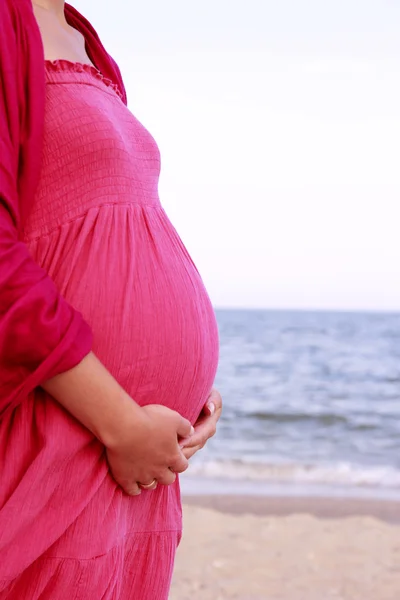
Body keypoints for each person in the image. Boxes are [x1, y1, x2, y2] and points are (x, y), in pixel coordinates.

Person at [0, 1, 222, 598]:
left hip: (130, 453)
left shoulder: (83, 38)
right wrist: (120, 420)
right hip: (68, 424)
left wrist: (183, 387)